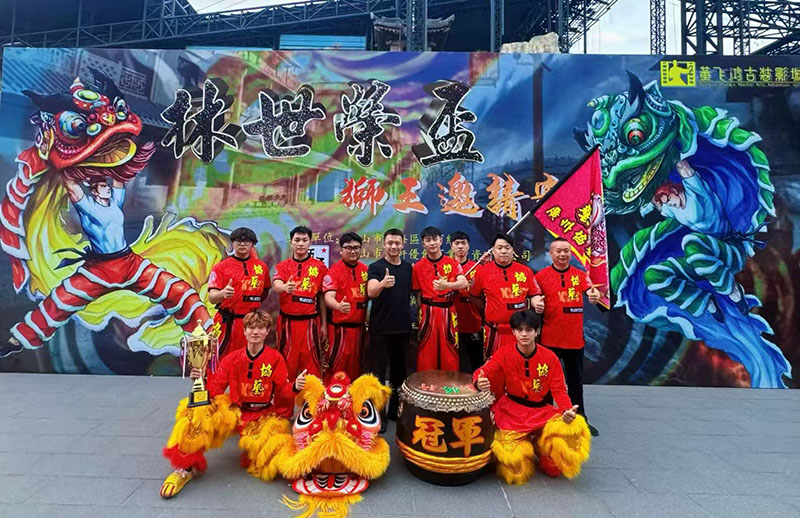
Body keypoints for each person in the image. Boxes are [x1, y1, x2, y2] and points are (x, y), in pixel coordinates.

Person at [3, 175, 211, 357]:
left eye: (107, 185)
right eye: (103, 186)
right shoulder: (87, 206)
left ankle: (205, 339)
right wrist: (70, 165)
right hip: (99, 270)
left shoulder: (114, 203)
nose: (108, 188)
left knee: (179, 292)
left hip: (129, 263)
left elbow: (119, 179)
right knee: (60, 301)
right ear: (94, 191)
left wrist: (123, 157)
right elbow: (72, 186)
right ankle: (18, 340)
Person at [160, 309, 298, 498]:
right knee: (195, 414)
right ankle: (184, 469)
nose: (255, 332)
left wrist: (296, 387)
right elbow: (215, 389)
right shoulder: (232, 359)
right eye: (251, 327)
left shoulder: (275, 359)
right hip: (234, 412)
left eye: (260, 328)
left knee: (273, 460)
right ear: (244, 331)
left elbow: (283, 391)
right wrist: (199, 380)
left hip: (262, 416)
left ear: (267, 332)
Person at [474, 310, 590, 484]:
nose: (524, 334)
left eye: (528, 330)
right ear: (513, 332)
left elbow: (559, 390)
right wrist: (479, 382)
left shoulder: (550, 357)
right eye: (519, 330)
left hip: (541, 412)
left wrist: (567, 410)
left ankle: (539, 444)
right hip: (511, 412)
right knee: (515, 468)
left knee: (562, 451)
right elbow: (482, 372)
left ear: (537, 331)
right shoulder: (504, 353)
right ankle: (526, 442)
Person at [534, 237, 601, 436]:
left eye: (566, 251)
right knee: (546, 383)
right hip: (549, 340)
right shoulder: (541, 276)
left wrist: (595, 296)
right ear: (551, 253)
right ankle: (544, 419)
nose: (563, 254)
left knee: (575, 383)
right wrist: (536, 303)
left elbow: (592, 292)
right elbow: (533, 297)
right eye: (558, 251)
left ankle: (580, 419)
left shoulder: (580, 276)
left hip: (574, 340)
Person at [366, 228, 414, 425]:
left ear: (403, 245)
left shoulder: (409, 268)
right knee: (378, 374)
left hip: (402, 329)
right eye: (390, 243)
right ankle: (379, 415)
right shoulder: (375, 267)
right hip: (380, 329)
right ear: (384, 244)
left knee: (399, 374)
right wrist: (382, 284)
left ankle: (395, 412)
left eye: (397, 243)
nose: (393, 246)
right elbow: (371, 292)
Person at [470, 233, 543, 359]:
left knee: (519, 362)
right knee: (493, 363)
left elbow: (534, 294)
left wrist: (537, 303)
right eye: (499, 248)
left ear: (513, 250)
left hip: (520, 331)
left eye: (507, 248)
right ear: (493, 251)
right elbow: (473, 296)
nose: (503, 251)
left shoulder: (525, 271)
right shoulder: (482, 272)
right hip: (494, 330)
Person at [272, 226, 328, 379]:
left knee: (312, 368)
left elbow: (322, 296)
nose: (301, 243)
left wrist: (324, 324)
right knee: (285, 366)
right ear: (291, 243)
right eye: (297, 240)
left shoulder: (319, 267)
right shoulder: (283, 266)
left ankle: (311, 395)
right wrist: (284, 287)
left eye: (304, 240)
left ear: (310, 243)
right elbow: (276, 284)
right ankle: (285, 395)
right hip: (287, 324)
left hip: (311, 323)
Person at [207, 227, 270, 357]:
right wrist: (222, 293)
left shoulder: (261, 267)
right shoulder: (221, 267)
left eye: (246, 241)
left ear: (252, 244)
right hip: (227, 322)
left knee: (250, 356)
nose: (242, 244)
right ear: (232, 243)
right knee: (222, 357)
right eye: (238, 241)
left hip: (252, 323)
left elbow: (264, 293)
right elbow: (212, 298)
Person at [412, 226, 467, 371]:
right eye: (428, 240)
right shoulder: (418, 267)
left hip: (448, 311)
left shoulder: (452, 263)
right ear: (423, 244)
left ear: (441, 241)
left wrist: (447, 285)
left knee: (450, 350)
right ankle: (425, 383)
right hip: (427, 312)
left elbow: (464, 282)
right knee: (426, 352)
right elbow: (417, 295)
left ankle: (450, 384)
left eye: (435, 239)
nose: (432, 243)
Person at [322, 232, 368, 382]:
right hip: (339, 331)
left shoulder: (366, 270)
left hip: (360, 330)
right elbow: (328, 297)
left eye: (356, 248)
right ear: (341, 250)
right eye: (348, 248)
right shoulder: (334, 271)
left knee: (357, 369)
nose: (353, 251)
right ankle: (332, 396)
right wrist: (338, 306)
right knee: (336, 369)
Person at [449, 231, 483, 373]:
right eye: (457, 243)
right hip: (451, 321)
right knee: (452, 361)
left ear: (469, 246)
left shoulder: (478, 268)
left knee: (475, 360)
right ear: (451, 246)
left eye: (463, 243)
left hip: (472, 320)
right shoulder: (447, 267)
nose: (460, 247)